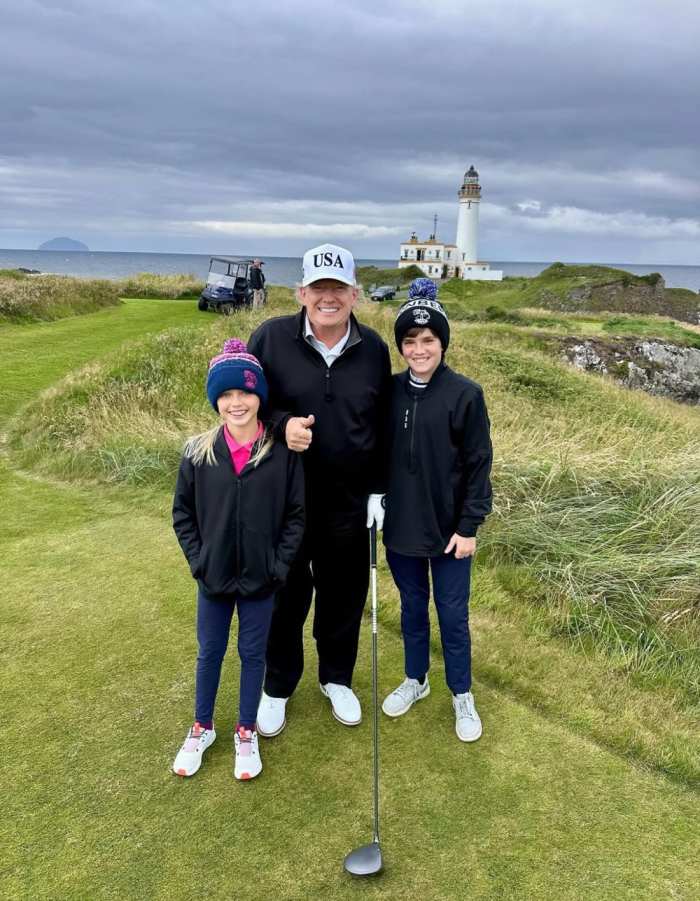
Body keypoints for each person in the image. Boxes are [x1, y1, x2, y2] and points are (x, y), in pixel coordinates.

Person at [248, 243, 392, 734]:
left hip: (349, 502)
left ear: (354, 293)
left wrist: (379, 490)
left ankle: (337, 679)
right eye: (318, 289)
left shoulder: (373, 348)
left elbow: (379, 427)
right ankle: (279, 684)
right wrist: (282, 424)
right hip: (284, 497)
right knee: (285, 593)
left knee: (343, 594)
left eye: (337, 289)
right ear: (301, 292)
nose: (327, 298)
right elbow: (241, 405)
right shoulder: (269, 338)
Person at [171, 338, 304, 780]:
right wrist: (200, 560)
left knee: (252, 654)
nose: (235, 402)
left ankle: (245, 731)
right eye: (225, 394)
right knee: (210, 652)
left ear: (258, 396)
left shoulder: (281, 453)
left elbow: (295, 517)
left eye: (244, 392)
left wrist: (278, 565)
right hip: (213, 577)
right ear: (216, 401)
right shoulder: (197, 452)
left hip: (261, 580)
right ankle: (201, 726)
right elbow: (183, 515)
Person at [381, 279, 493, 742]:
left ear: (442, 343)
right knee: (411, 609)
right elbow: (373, 452)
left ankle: (461, 694)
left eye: (428, 340)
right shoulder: (388, 392)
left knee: (451, 615)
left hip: (449, 532)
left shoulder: (465, 394)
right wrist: (373, 496)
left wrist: (469, 526)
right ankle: (416, 679)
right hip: (401, 527)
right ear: (402, 346)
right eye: (410, 341)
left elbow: (478, 465)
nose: (419, 348)